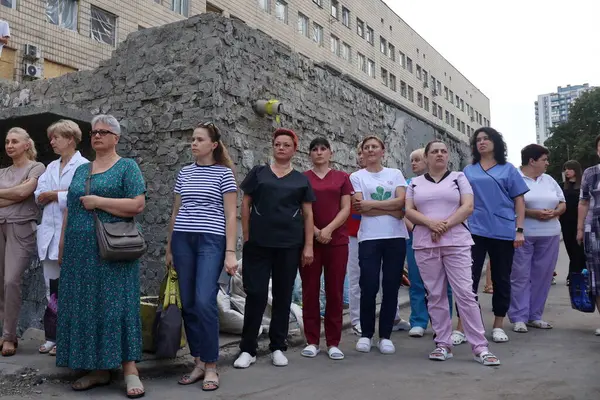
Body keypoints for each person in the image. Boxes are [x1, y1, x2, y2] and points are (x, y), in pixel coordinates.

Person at [57, 115, 147, 398]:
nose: (97, 136)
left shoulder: (127, 167)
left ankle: (130, 369)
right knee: (86, 306)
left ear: (116, 138)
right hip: (78, 251)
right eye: (94, 132)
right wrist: (62, 243)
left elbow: (137, 204)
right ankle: (98, 369)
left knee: (117, 305)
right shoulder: (82, 170)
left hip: (113, 250)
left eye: (103, 132)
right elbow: (71, 208)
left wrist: (99, 202)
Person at [405, 140, 500, 366]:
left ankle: (480, 346)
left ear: (448, 156)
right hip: (426, 243)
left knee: (465, 293)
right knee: (435, 294)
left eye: (443, 151)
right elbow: (408, 210)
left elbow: (467, 206)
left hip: (456, 242)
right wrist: (430, 224)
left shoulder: (459, 178)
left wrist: (444, 225)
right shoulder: (415, 183)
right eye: (434, 151)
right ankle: (443, 343)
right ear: (426, 157)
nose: (439, 154)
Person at [165, 122, 238, 390]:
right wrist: (169, 247)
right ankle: (197, 362)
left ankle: (210, 365)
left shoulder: (224, 174)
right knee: (189, 302)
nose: (193, 143)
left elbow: (232, 215)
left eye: (199, 139)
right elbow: (176, 212)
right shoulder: (184, 173)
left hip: (211, 241)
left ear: (213, 145)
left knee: (204, 301)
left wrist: (230, 252)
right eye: (192, 139)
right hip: (183, 239)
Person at [234, 128, 316, 369]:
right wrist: (247, 235)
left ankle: (278, 347)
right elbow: (246, 204)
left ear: (294, 149)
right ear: (273, 147)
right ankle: (248, 349)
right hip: (258, 245)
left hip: (289, 246)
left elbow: (308, 214)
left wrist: (308, 246)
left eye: (286, 145)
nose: (281, 148)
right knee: (256, 295)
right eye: (278, 144)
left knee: (282, 296)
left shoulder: (301, 180)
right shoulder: (259, 173)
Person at [454, 127, 528, 345]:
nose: (482, 142)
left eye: (486, 139)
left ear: (496, 142)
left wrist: (520, 229)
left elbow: (519, 201)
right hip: (473, 230)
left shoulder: (509, 170)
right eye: (478, 140)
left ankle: (498, 324)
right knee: (468, 279)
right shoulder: (468, 170)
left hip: (503, 230)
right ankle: (462, 326)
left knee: (502, 278)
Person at [34, 120, 88, 357]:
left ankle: (67, 337)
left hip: (71, 235)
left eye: (56, 137)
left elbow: (80, 194)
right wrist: (52, 195)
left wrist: (54, 195)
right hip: (48, 235)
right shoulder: (50, 167)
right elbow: (38, 194)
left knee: (70, 289)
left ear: (70, 139)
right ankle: (52, 335)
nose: (52, 142)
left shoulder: (84, 166)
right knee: (51, 289)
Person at [350, 136, 408, 355]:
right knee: (369, 286)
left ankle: (385, 335)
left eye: (375, 146)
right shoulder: (357, 176)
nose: (371, 150)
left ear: (383, 151)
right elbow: (359, 206)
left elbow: (401, 202)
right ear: (362, 153)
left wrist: (372, 205)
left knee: (391, 287)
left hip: (395, 237)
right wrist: (391, 209)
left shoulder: (395, 174)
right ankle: (366, 334)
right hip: (369, 238)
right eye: (367, 147)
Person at [300, 137, 352, 360]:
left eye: (323, 149)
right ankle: (312, 340)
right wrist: (315, 232)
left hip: (337, 241)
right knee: (310, 291)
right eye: (314, 149)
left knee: (335, 291)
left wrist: (328, 229)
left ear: (331, 153)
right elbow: (302, 210)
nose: (319, 152)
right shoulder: (303, 179)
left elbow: (346, 208)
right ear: (310, 154)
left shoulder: (342, 178)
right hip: (309, 242)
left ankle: (333, 342)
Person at [508, 144, 565, 333]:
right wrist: (532, 213)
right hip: (523, 234)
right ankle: (518, 317)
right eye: (544, 159)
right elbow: (510, 204)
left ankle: (535, 315)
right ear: (532, 161)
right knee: (520, 276)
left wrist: (555, 212)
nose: (547, 163)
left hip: (550, 234)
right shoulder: (514, 177)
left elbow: (562, 202)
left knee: (543, 276)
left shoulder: (549, 180)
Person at [0, 128, 45, 357]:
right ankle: (4, 333)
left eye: (15, 141)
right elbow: (17, 194)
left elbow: (25, 192)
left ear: (27, 144)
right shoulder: (2, 172)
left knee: (11, 281)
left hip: (21, 229)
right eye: (7, 141)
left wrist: (11, 194)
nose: (9, 145)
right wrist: (14, 193)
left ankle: (10, 337)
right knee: (0, 283)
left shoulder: (36, 167)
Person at [405, 148, 453, 338]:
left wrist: (440, 228)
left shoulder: (448, 182)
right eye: (412, 161)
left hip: (443, 236)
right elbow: (405, 212)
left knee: (444, 284)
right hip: (417, 238)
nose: (414, 164)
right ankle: (418, 320)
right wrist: (418, 231)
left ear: (426, 160)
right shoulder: (410, 184)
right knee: (417, 281)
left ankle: (444, 321)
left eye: (417, 159)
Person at [577, 134, 600, 337]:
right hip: (594, 229)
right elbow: (583, 202)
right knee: (596, 276)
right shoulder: (591, 173)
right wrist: (579, 229)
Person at [347, 145, 365, 336]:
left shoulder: (386, 178)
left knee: (384, 278)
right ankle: (356, 320)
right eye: (359, 153)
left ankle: (392, 316)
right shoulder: (351, 180)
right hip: (354, 234)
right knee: (356, 279)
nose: (362, 156)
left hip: (379, 233)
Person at [560, 160, 584, 285]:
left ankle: (574, 274)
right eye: (565, 169)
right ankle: (575, 274)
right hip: (566, 222)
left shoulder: (583, 185)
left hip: (580, 221)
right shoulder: (562, 186)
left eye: (569, 168)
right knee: (570, 248)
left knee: (579, 249)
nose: (567, 171)